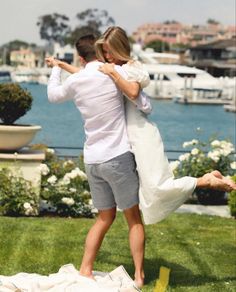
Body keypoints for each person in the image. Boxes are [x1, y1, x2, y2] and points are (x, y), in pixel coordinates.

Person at [53, 26, 236, 225]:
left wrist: (113, 73)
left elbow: (134, 94)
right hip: (124, 142)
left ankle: (207, 181)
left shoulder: (131, 67)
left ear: (120, 48)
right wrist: (62, 65)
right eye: (103, 52)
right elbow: (87, 75)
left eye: (109, 51)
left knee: (156, 187)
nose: (106, 56)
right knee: (149, 192)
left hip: (141, 134)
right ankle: (207, 180)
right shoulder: (111, 68)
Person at [46, 34, 145, 288]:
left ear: (80, 57)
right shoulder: (113, 74)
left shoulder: (78, 80)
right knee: (133, 219)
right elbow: (137, 94)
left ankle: (85, 268)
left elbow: (54, 95)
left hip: (93, 160)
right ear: (102, 52)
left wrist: (57, 69)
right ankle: (139, 276)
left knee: (104, 217)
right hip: (118, 156)